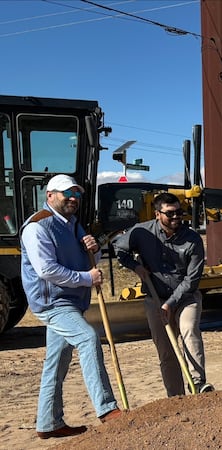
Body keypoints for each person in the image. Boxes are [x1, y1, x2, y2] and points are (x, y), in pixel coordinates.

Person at [20, 174, 122, 439]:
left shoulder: (74, 225)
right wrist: (87, 279)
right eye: (68, 193)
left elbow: (84, 258)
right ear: (50, 195)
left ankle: (48, 423)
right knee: (88, 338)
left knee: (56, 362)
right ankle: (107, 409)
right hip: (52, 302)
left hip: (72, 301)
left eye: (76, 194)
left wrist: (94, 248)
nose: (73, 198)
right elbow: (46, 270)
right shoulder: (37, 227)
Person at [113, 192, 213, 396]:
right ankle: (175, 397)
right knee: (166, 351)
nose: (176, 217)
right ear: (158, 214)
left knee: (189, 331)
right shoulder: (141, 232)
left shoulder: (192, 239)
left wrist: (169, 304)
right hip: (154, 299)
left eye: (179, 212)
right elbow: (118, 248)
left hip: (186, 298)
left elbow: (191, 280)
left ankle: (198, 384)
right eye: (170, 214)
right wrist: (135, 266)